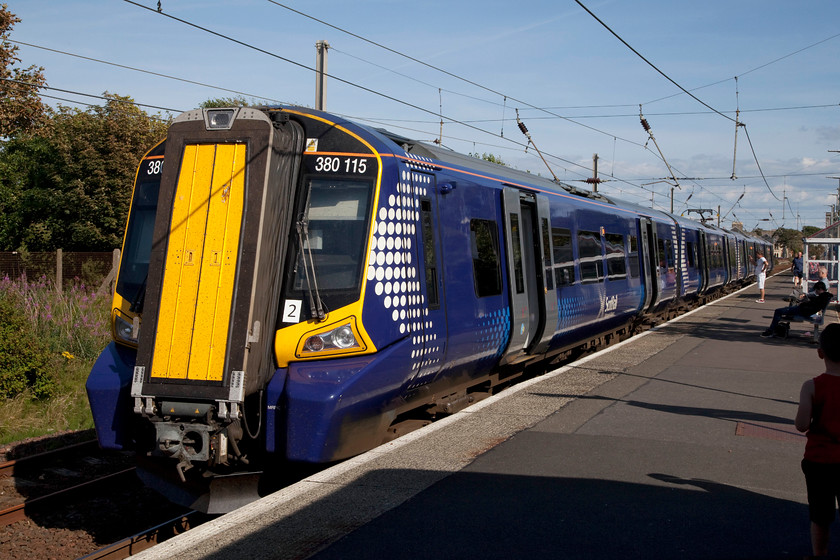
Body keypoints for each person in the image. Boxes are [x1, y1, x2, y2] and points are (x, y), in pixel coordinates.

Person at [795, 323, 840, 557]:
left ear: (820, 353)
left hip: (819, 462)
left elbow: (801, 425)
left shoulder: (811, 386)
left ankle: (820, 553)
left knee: (821, 517)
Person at [760, 282, 832, 337]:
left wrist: (803, 304)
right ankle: (777, 328)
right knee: (788, 308)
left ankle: (771, 331)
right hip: (804, 311)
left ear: (820, 289)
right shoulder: (824, 297)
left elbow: (811, 308)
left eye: (816, 291)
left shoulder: (821, 298)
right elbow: (813, 306)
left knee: (778, 311)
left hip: (801, 311)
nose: (816, 292)